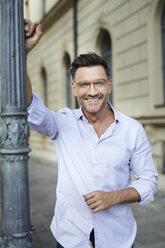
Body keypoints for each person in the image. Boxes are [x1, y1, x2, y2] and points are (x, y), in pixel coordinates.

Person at [25, 20, 158, 248]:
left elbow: (149, 181)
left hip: (118, 240)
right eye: (84, 85)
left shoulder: (131, 129)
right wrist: (24, 53)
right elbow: (29, 108)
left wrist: (114, 197)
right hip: (70, 238)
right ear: (75, 88)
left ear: (109, 85)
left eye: (99, 83)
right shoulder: (63, 123)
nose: (92, 91)